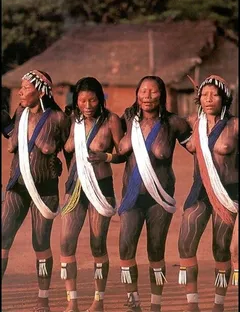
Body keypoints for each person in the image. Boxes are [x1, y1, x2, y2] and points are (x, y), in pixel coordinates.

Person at [117, 75, 192, 312]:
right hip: (132, 195)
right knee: (125, 247)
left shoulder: (174, 123)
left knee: (156, 250)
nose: (147, 96)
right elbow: (117, 153)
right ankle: (133, 299)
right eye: (143, 91)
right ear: (137, 94)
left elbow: (197, 149)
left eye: (153, 91)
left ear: (162, 95)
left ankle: (155, 304)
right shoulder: (127, 119)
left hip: (160, 197)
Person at [1, 70, 71, 312]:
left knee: (40, 243)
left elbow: (68, 149)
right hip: (17, 186)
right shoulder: (20, 112)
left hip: (45, 190)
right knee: (3, 237)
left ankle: (43, 298)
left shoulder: (58, 118)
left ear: (41, 91)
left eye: (25, 88)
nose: (20, 92)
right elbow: (12, 139)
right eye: (19, 87)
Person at [60, 76, 125, 312]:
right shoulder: (71, 121)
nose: (87, 106)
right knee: (66, 243)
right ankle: (72, 301)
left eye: (92, 100)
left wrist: (105, 157)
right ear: (76, 101)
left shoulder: (112, 121)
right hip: (74, 187)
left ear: (100, 100)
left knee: (97, 245)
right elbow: (63, 148)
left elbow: (123, 153)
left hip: (101, 187)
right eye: (82, 101)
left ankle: (99, 300)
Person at [178, 75, 238, 312]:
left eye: (214, 94)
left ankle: (218, 305)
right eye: (204, 94)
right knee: (185, 244)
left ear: (224, 98)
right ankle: (192, 305)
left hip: (228, 193)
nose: (209, 99)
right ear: (198, 98)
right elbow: (164, 125)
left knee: (221, 248)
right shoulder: (192, 122)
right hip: (199, 191)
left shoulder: (235, 125)